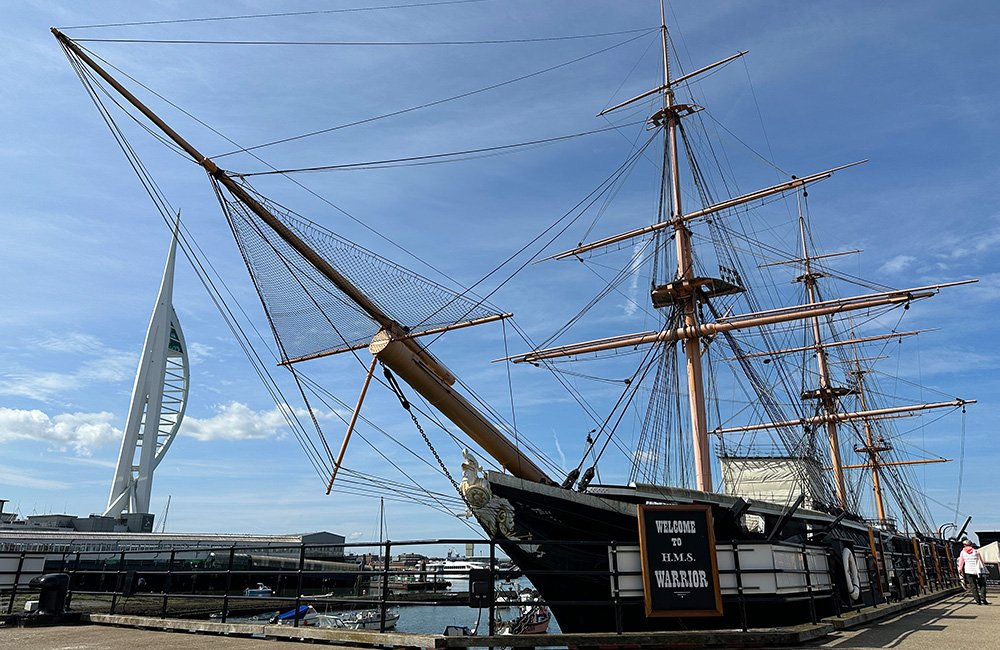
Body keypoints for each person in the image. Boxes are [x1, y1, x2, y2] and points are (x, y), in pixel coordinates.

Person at [957, 538, 990, 605]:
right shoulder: (976, 551)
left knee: (973, 586)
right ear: (971, 545)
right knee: (982, 585)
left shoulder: (962, 552)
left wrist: (960, 570)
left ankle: (978, 601)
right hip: (978, 571)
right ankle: (983, 598)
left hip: (968, 571)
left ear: (964, 545)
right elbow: (981, 561)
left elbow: (961, 562)